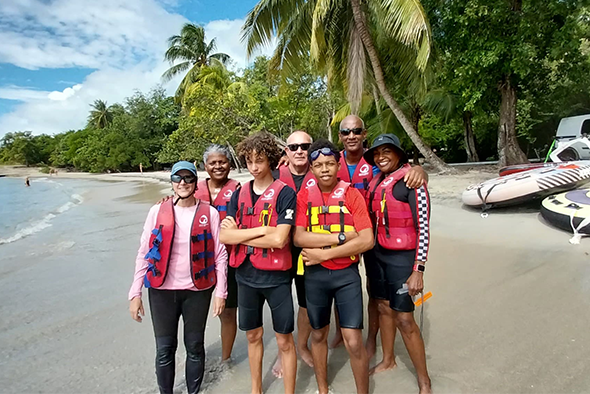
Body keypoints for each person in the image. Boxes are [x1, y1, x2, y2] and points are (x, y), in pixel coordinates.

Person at [128, 161, 227, 394]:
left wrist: (221, 292)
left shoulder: (209, 213)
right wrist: (135, 293)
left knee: (194, 346)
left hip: (197, 291)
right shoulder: (157, 211)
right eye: (177, 178)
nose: (183, 183)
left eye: (188, 178)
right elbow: (144, 252)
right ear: (171, 182)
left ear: (196, 182)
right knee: (164, 348)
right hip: (162, 291)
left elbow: (220, 255)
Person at [333, 114, 428, 355]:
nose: (351, 136)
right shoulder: (333, 161)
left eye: (356, 131)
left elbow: (405, 173)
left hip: (379, 241)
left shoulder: (377, 164)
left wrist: (419, 170)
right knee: (348, 285)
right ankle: (339, 333)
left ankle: (372, 340)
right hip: (346, 237)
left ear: (364, 134)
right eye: (346, 132)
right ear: (340, 136)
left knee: (388, 304)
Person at [294, 139, 374, 394]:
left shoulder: (352, 194)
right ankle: (322, 388)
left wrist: (323, 255)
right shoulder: (305, 196)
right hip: (315, 278)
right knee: (318, 334)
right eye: (318, 165)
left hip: (346, 276)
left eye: (330, 164)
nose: (325, 169)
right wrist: (342, 237)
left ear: (338, 165)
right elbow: (299, 237)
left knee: (353, 340)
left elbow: (367, 240)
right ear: (312, 169)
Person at [219, 131, 297, 394]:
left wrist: (241, 236)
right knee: (252, 335)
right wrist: (262, 230)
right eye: (249, 160)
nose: (254, 167)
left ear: (271, 161)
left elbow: (280, 239)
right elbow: (224, 235)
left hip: (276, 279)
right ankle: (256, 389)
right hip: (245, 277)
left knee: (284, 340)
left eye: (260, 160)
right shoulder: (238, 194)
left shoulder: (285, 194)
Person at [363, 134, 432, 393]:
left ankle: (424, 379)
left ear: (399, 154)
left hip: (402, 258)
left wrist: (419, 270)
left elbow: (423, 228)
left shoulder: (412, 182)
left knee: (404, 318)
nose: (381, 157)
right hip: (376, 255)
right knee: (382, 307)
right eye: (377, 153)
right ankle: (389, 359)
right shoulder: (376, 180)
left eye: (387, 151)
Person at [271, 130, 316, 375]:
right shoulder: (276, 175)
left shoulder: (322, 172)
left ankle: (301, 346)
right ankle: (283, 350)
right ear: (286, 152)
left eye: (305, 146)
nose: (300, 151)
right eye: (294, 147)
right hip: (280, 248)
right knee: (281, 301)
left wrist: (418, 169)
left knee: (306, 302)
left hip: (308, 248)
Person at [194, 144, 241, 363]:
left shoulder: (239, 190)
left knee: (228, 312)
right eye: (213, 163)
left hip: (229, 261)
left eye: (222, 161)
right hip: (199, 260)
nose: (218, 166)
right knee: (196, 312)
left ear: (229, 164)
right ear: (205, 166)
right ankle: (196, 355)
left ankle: (225, 359)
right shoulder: (193, 189)